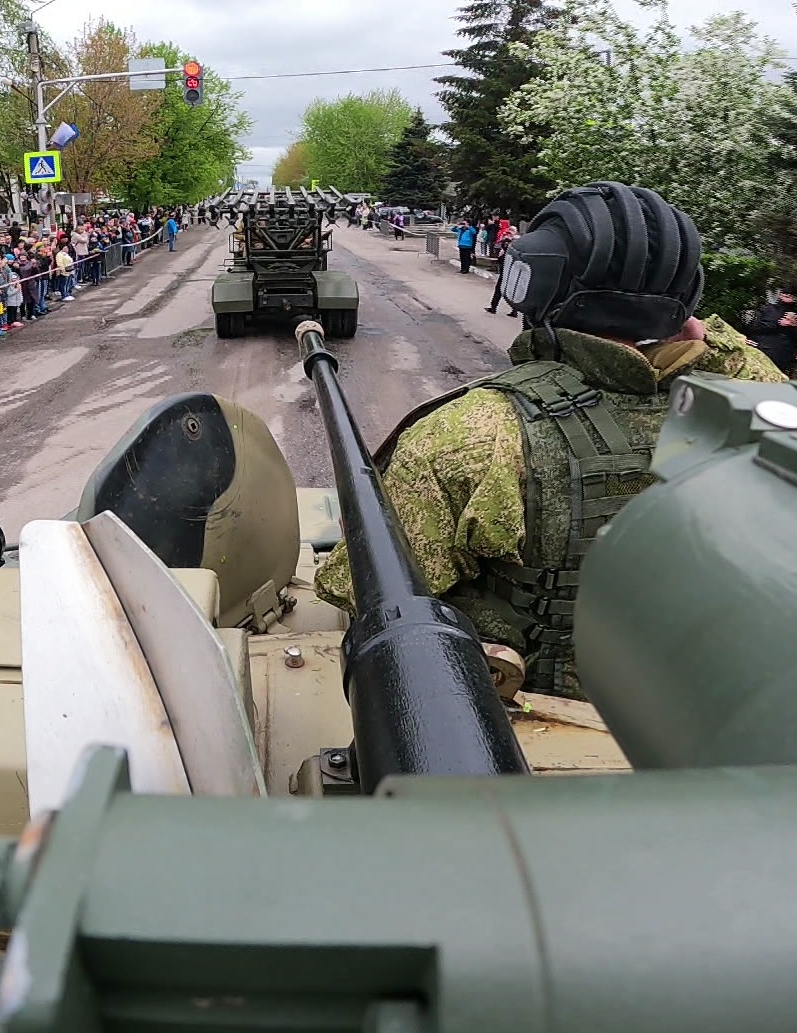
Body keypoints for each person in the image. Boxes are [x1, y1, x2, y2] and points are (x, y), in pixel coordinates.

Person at [314, 181, 787, 701]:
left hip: (550, 712)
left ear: (533, 285)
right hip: (721, 699)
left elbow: (359, 588)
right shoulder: (761, 406)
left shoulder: (474, 432)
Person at [745, 285, 797, 376]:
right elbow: (754, 327)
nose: (788, 297)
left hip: (782, 357)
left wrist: (793, 326)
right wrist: (778, 324)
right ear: (781, 295)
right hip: (760, 350)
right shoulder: (768, 309)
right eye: (786, 294)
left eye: (792, 296)